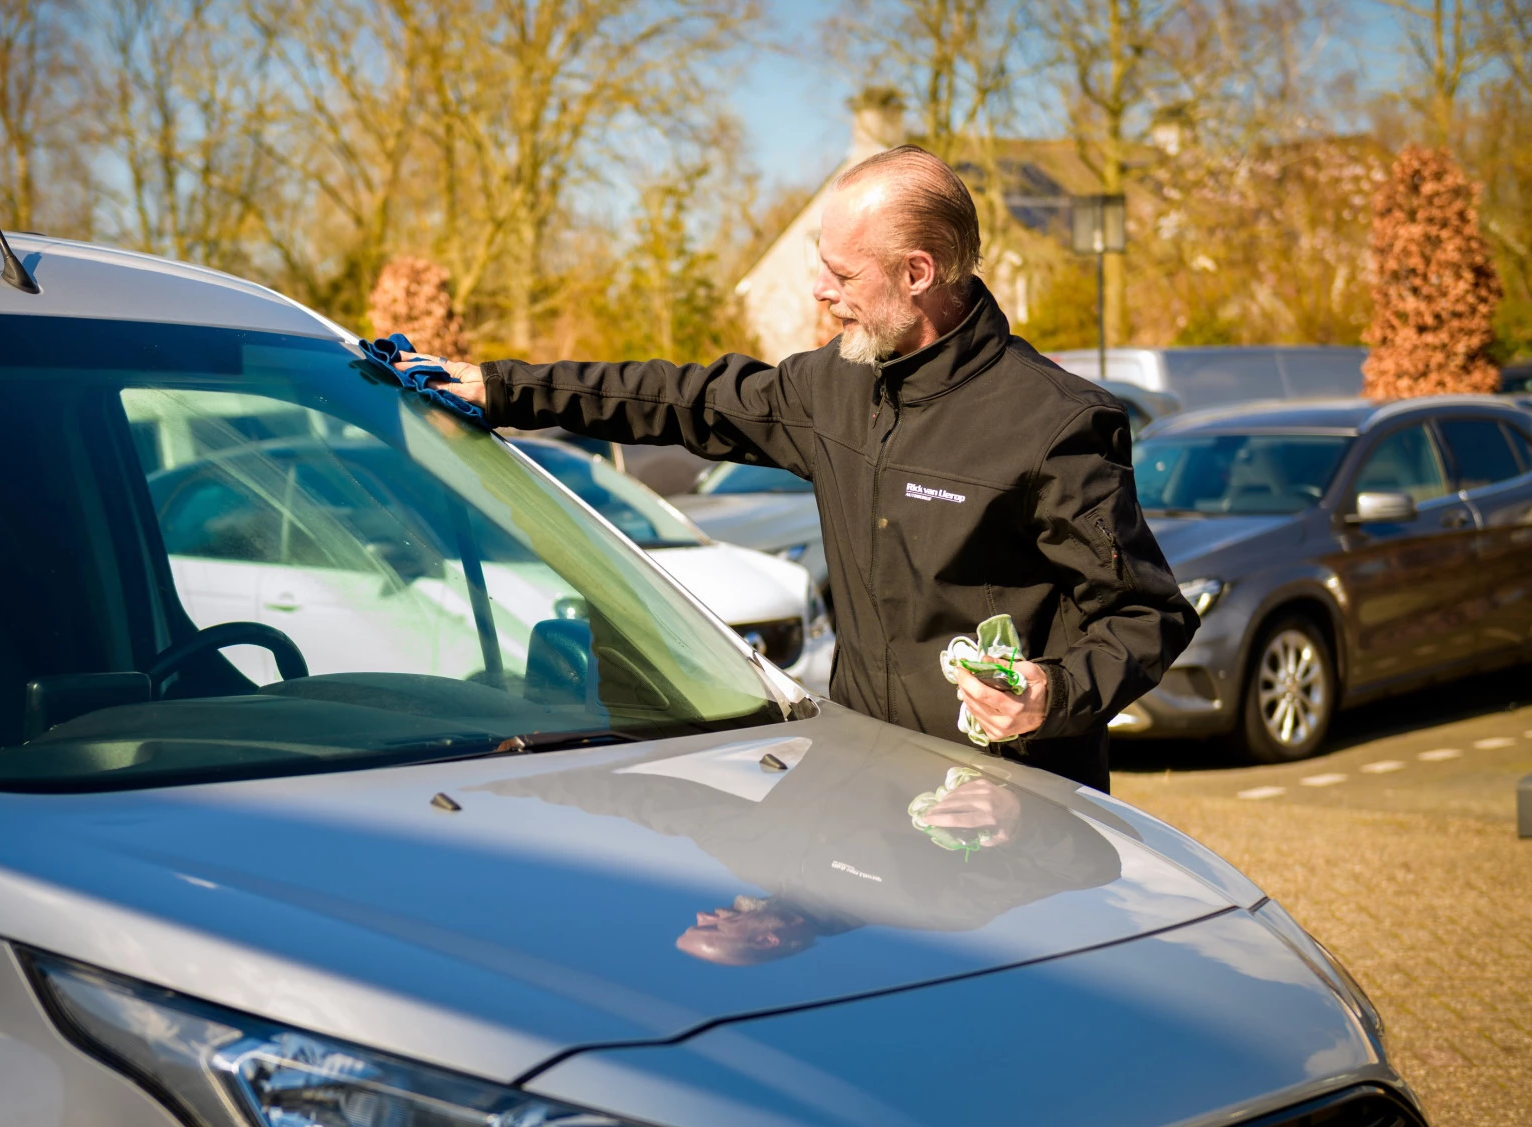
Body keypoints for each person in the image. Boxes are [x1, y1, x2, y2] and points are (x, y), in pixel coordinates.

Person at [435, 145, 1195, 790]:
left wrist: (1052, 693)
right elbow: (681, 398)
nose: (820, 291)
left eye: (842, 272)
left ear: (918, 272)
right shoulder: (834, 385)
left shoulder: (1053, 423)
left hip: (1010, 807)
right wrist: (503, 388)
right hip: (863, 787)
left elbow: (1147, 614)